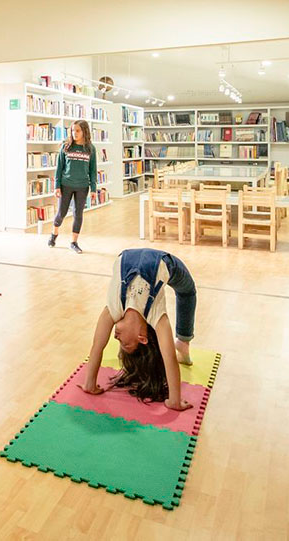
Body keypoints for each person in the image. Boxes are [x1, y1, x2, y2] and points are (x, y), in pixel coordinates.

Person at [80, 248, 197, 411]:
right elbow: (169, 357)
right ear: (142, 338)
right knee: (187, 292)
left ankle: (183, 347)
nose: (116, 339)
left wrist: (89, 384)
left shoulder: (113, 310)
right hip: (167, 263)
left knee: (187, 292)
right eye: (126, 345)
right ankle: (183, 342)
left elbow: (97, 345)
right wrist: (174, 401)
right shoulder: (156, 316)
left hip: (129, 254)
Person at [48, 119, 97, 253]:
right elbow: (59, 168)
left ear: (84, 131)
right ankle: (54, 234)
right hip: (66, 185)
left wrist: (93, 188)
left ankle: (74, 242)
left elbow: (93, 170)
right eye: (72, 130)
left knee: (78, 214)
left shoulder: (90, 149)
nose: (74, 133)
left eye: (77, 131)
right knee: (61, 213)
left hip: (82, 186)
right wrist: (57, 186)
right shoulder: (66, 147)